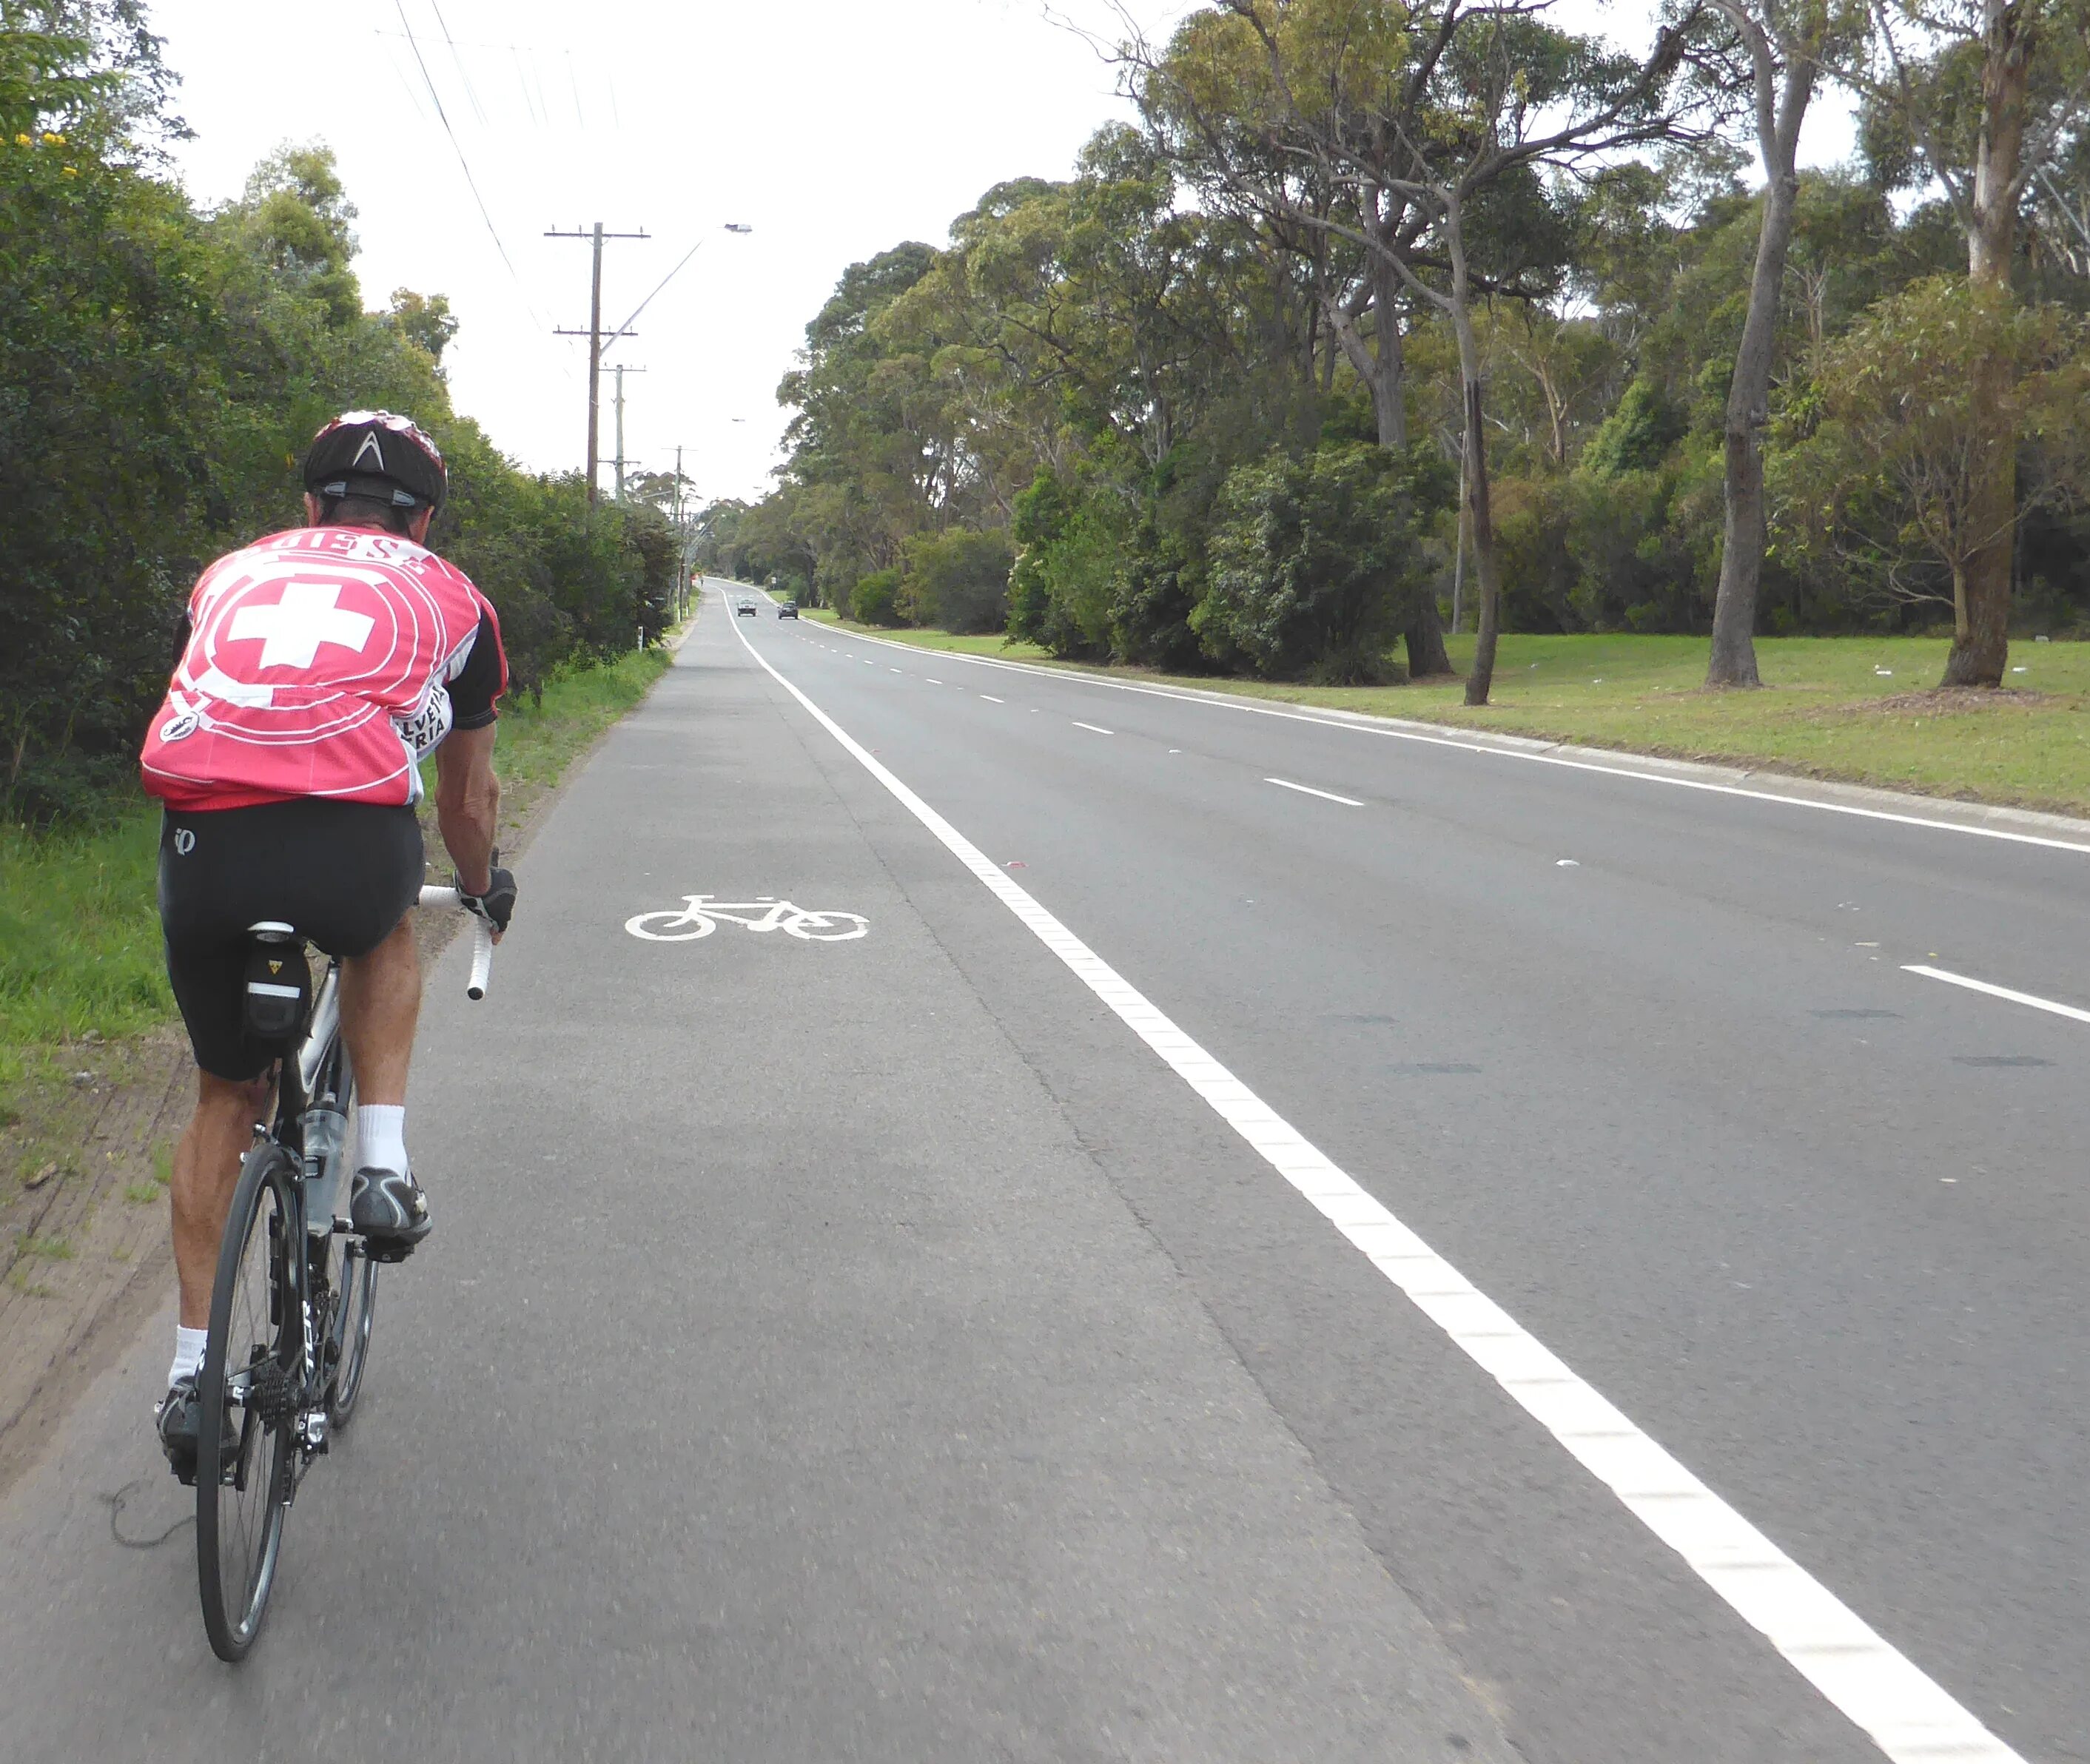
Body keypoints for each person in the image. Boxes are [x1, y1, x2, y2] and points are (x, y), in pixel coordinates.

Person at [138, 410, 517, 1481]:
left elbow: (207, 699)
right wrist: (482, 891)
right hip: (348, 839)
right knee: (383, 933)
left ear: (309, 505)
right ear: (426, 519)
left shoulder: (228, 571)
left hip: (201, 837)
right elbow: (469, 798)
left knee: (225, 1093)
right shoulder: (454, 599)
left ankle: (186, 1375)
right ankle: (383, 1170)